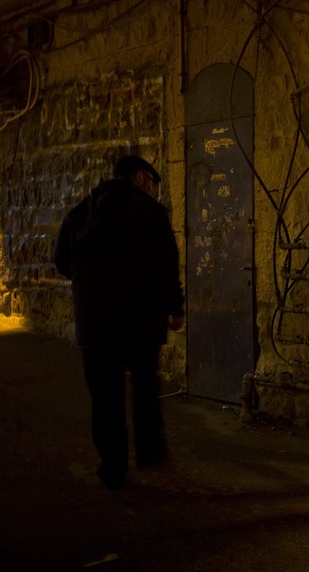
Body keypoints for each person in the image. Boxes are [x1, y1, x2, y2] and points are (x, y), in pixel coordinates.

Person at [53, 154, 185, 490]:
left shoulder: (82, 211)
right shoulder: (149, 212)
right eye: (153, 184)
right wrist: (174, 307)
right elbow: (165, 265)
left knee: (105, 397)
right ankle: (151, 456)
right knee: (143, 387)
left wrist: (88, 288)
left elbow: (61, 259)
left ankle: (112, 468)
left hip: (94, 323)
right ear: (141, 178)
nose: (155, 192)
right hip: (140, 320)